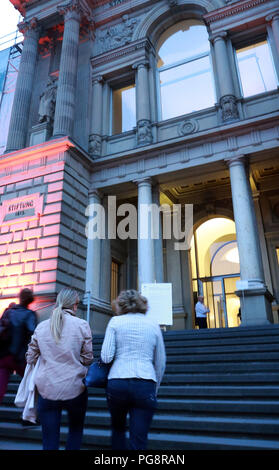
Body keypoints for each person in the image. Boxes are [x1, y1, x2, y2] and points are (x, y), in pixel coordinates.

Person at [26, 288, 93, 450]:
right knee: (75, 432)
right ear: (75, 305)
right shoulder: (82, 325)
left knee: (49, 439)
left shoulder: (42, 327)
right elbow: (88, 358)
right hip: (75, 388)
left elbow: (30, 358)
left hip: (47, 389)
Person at [101, 289, 166, 450]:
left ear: (120, 304)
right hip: (145, 382)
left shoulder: (115, 322)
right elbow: (160, 361)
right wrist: (154, 387)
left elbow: (107, 356)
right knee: (139, 438)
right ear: (142, 303)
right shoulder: (153, 324)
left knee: (117, 430)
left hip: (117, 381)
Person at [0, 289, 37, 405]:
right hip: (21, 357)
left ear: (19, 298)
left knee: (0, 386)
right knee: (31, 383)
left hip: (4, 355)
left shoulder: (7, 312)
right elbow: (33, 334)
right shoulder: (30, 315)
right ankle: (28, 415)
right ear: (30, 300)